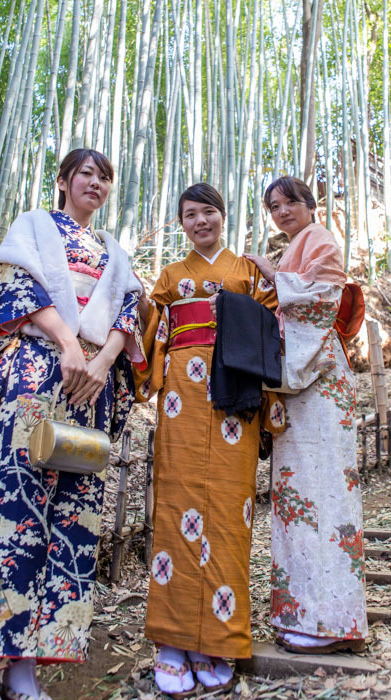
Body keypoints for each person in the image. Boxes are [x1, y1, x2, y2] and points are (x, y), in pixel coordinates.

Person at [0, 149, 144, 700]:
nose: (97, 184)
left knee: (73, 522)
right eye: (87, 174)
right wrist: (66, 343)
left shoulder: (113, 250)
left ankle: (27, 667)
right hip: (37, 373)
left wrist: (102, 362)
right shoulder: (32, 226)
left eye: (105, 178)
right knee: (12, 511)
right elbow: (17, 287)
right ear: (62, 180)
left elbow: (131, 312)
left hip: (91, 388)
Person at [135, 184, 287, 696]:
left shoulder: (247, 271)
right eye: (190, 215)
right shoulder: (170, 277)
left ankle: (217, 639)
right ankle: (173, 642)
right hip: (179, 395)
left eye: (208, 212)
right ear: (181, 224)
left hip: (235, 396)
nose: (200, 221)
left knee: (229, 510)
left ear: (223, 217)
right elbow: (150, 332)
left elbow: (276, 327)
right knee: (176, 506)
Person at [245, 176, 368, 654]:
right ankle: (307, 614)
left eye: (289, 202)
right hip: (303, 382)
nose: (281, 212)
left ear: (309, 205)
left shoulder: (318, 242)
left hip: (318, 379)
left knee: (321, 495)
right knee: (300, 495)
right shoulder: (297, 247)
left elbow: (322, 302)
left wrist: (275, 278)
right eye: (273, 206)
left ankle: (328, 620)